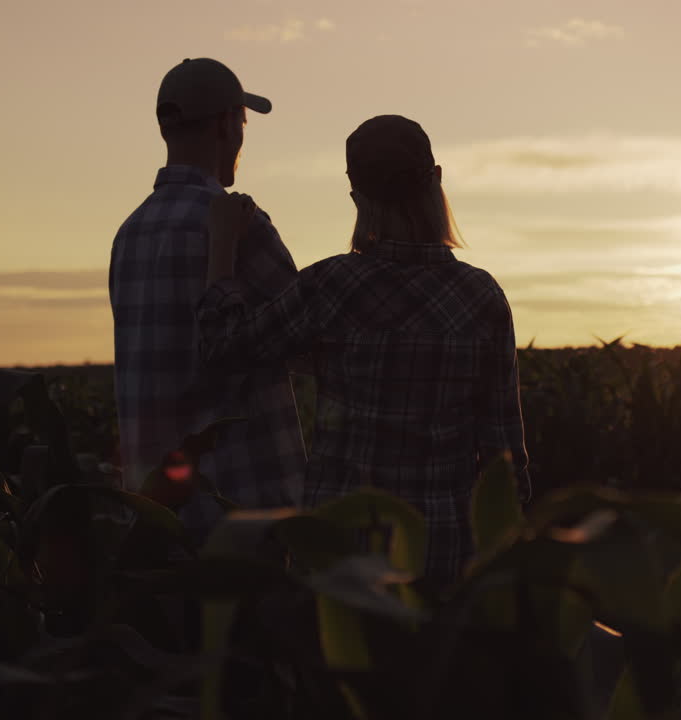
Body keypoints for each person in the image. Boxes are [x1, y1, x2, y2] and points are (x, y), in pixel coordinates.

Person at [197, 115, 530, 583]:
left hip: (338, 560)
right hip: (441, 560)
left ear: (357, 197)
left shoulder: (331, 285)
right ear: (436, 179)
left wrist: (222, 248)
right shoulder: (482, 298)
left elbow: (222, 347)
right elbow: (506, 462)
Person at [109, 58, 307, 536]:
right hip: (247, 507)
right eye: (242, 122)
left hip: (157, 512)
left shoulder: (129, 233)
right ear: (225, 125)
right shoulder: (241, 225)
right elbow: (308, 333)